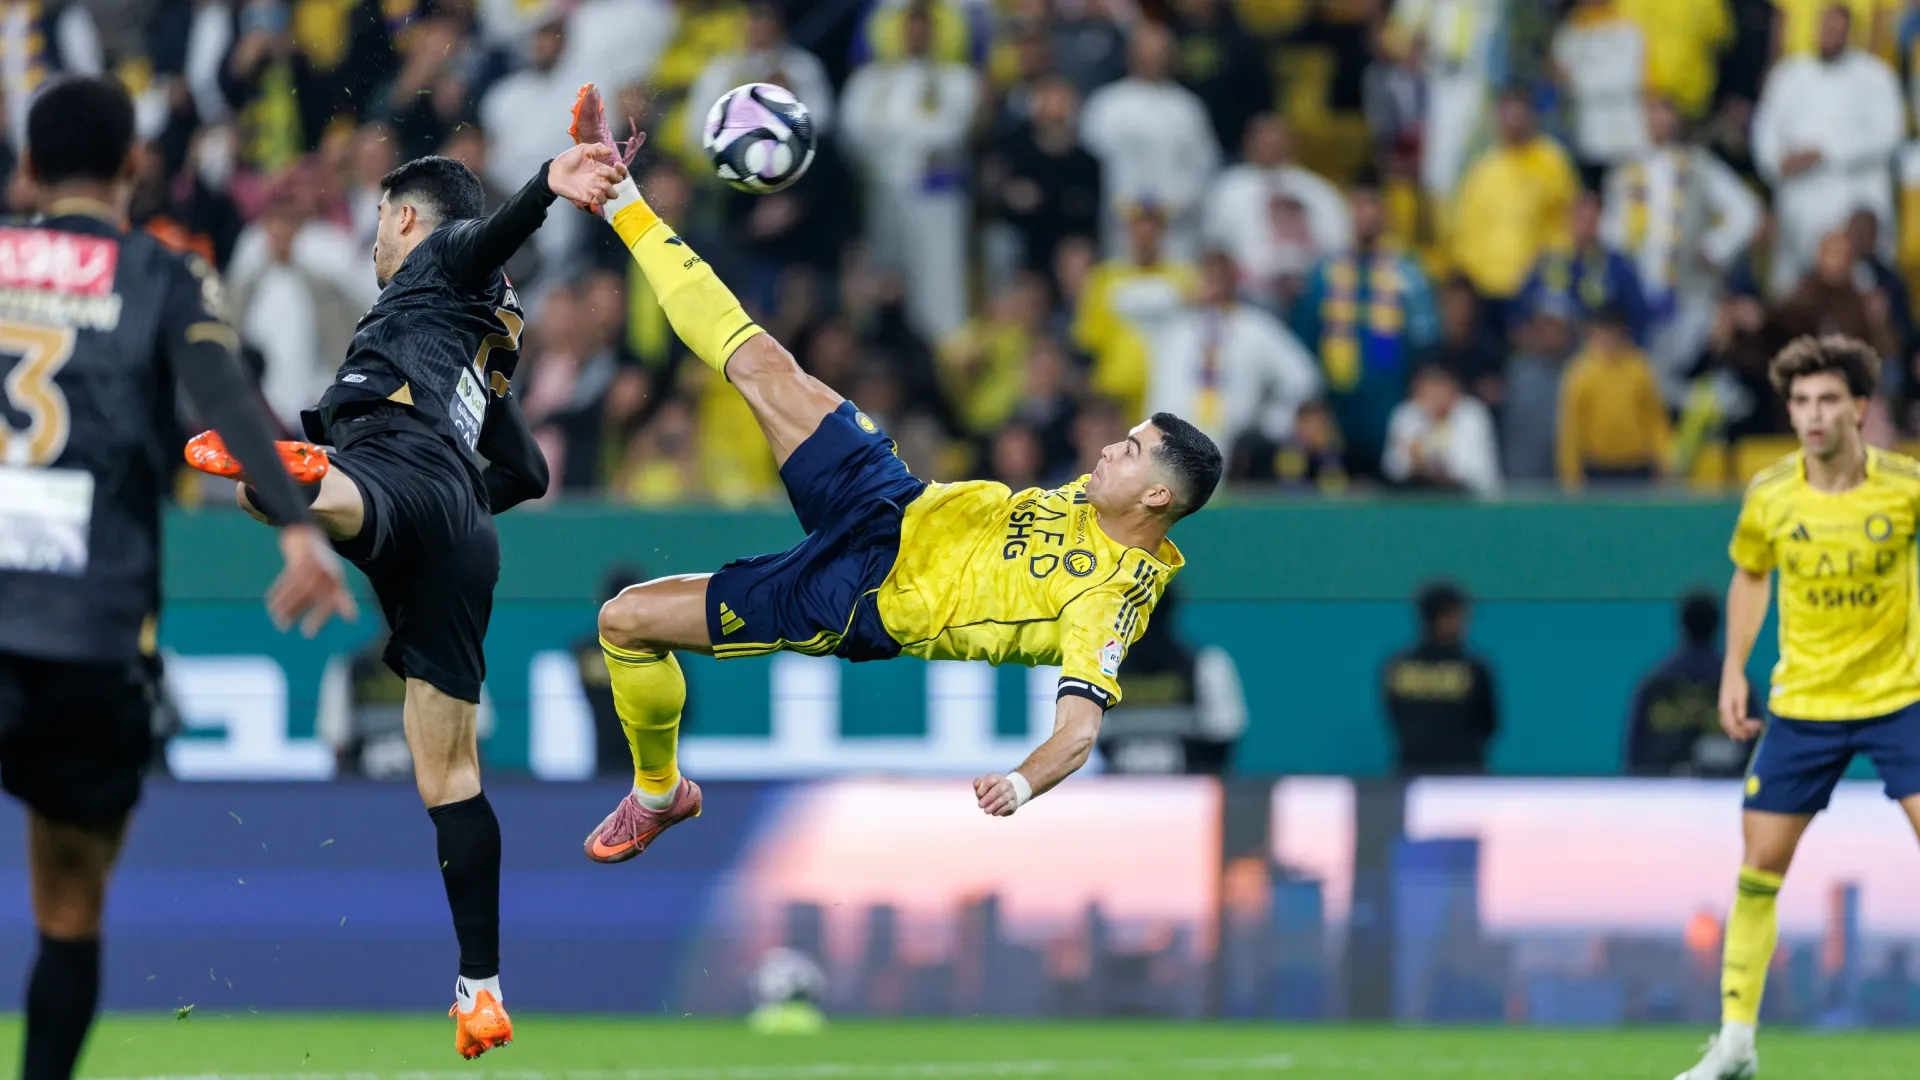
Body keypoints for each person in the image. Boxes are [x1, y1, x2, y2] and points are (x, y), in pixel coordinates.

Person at [564, 86, 1222, 858]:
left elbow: (1078, 732)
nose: (1111, 447)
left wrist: (1021, 780)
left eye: (1132, 450)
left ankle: (657, 793)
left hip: (857, 594)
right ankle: (621, 195)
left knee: (625, 620)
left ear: (1155, 495)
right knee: (760, 360)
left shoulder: (1110, 597)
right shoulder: (1101, 496)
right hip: (893, 499)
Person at [219, 135, 624, 1057]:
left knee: (268, 493)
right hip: (462, 533)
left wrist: (546, 190)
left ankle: (301, 481)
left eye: (377, 225)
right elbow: (525, 470)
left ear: (407, 217)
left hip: (394, 467)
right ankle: (479, 989)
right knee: (448, 777)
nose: (372, 246)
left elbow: (483, 240)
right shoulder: (487, 340)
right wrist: (450, 516)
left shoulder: (440, 259)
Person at [0, 76, 356, 1080]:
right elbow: (223, 393)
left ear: (26, 169)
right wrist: (296, 528)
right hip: (89, 627)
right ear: (133, 169)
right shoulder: (161, 271)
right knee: (68, 905)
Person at [1677, 334, 1920, 1080]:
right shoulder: (1771, 494)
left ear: (1860, 409)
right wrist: (1732, 670)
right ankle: (1736, 1047)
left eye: (1828, 401)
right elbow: (1750, 575)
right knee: (1760, 868)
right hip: (1804, 704)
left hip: (1899, 697)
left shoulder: (1906, 488)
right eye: (1802, 402)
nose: (1813, 415)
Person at [1381, 581, 1499, 774]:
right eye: (1458, 615)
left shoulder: (1398, 667)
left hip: (1412, 772)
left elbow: (1394, 715)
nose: (1464, 622)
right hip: (1463, 774)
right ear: (1441, 618)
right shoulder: (1473, 668)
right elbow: (1489, 724)